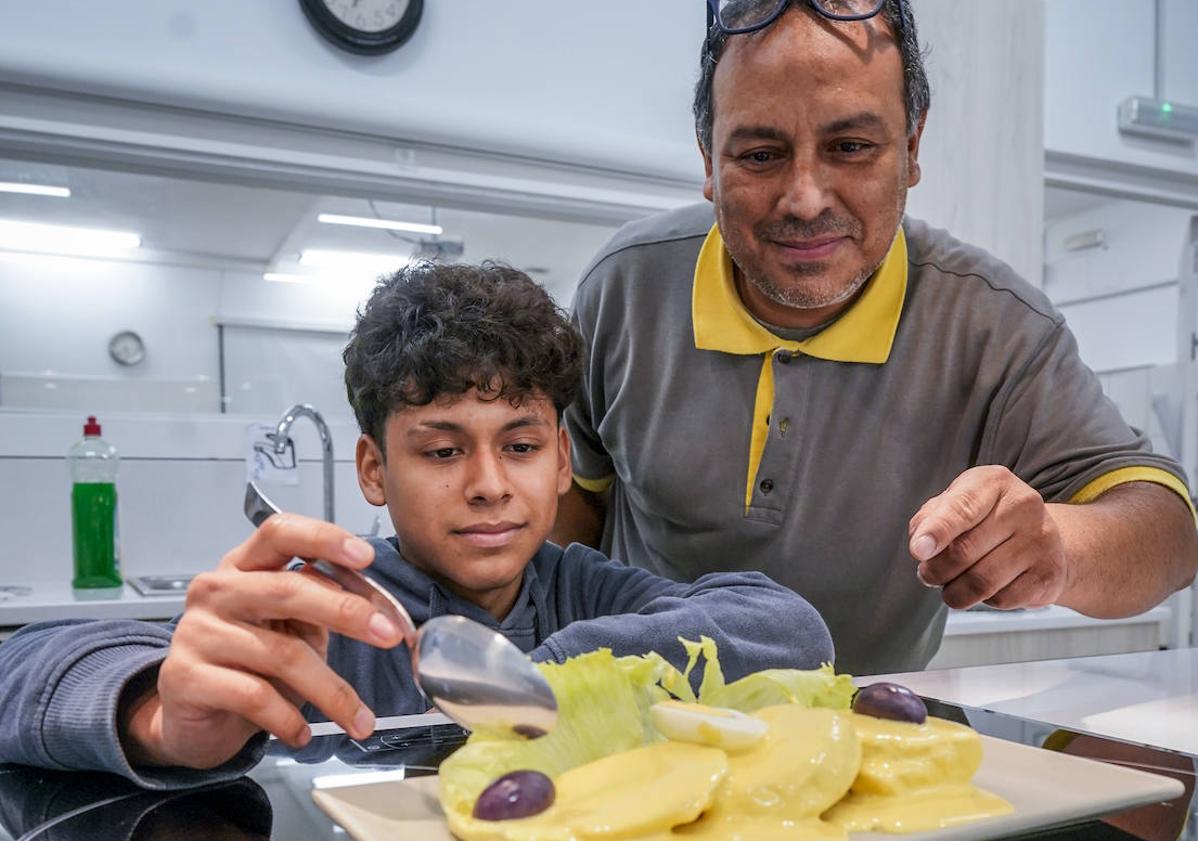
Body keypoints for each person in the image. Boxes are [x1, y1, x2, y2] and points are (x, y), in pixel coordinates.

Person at [0, 262, 833, 789]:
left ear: (557, 461)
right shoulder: (321, 614)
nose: (488, 485)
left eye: (520, 444)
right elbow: (20, 665)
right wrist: (155, 710)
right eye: (442, 451)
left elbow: (788, 625)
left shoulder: (579, 585)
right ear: (374, 469)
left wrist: (550, 674)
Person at [553, 0, 1198, 675]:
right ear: (709, 158)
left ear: (912, 146)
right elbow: (571, 516)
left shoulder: (992, 327)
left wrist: (1059, 547)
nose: (805, 199)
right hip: (633, 731)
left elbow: (1169, 532)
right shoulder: (624, 289)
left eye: (850, 147)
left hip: (860, 748)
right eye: (761, 153)